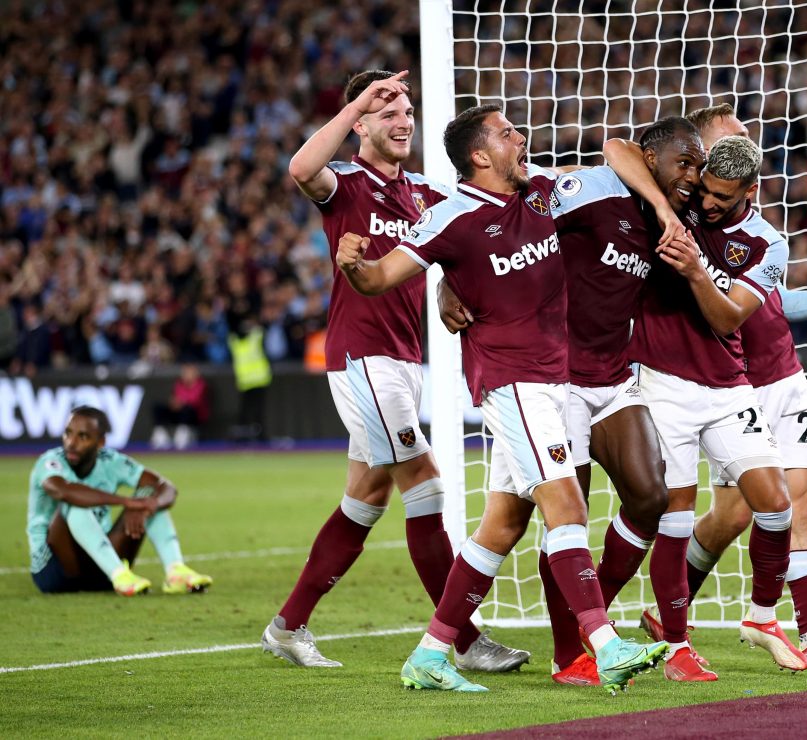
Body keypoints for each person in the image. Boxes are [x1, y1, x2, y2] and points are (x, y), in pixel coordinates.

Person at [335, 104, 668, 693]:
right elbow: (380, 278)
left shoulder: (541, 192)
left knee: (502, 525)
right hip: (512, 384)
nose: (521, 137)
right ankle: (605, 644)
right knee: (566, 506)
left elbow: (616, 155)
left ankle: (431, 654)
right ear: (480, 155)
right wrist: (353, 264)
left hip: (553, 380)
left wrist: (663, 209)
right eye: (507, 132)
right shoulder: (451, 218)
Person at [261, 70, 526, 672]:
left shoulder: (426, 194)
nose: (403, 120)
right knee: (426, 484)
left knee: (367, 496)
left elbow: (451, 252)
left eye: (406, 110)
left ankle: (288, 625)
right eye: (387, 112)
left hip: (407, 361)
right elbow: (301, 170)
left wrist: (442, 293)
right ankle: (463, 640)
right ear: (359, 124)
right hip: (362, 357)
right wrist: (356, 98)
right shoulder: (345, 184)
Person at [437, 117, 716, 684]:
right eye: (682, 163)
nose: (691, 176)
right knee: (565, 516)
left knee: (649, 495)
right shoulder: (592, 193)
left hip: (614, 375)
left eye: (697, 166)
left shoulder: (682, 221)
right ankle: (574, 654)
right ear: (649, 158)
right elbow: (494, 227)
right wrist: (449, 281)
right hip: (554, 378)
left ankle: (594, 619)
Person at [634, 105, 807, 669]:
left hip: (779, 376)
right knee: (730, 515)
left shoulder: (764, 239)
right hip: (723, 379)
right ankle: (670, 613)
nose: (738, 144)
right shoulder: (684, 210)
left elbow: (770, 304)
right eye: (726, 139)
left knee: (796, 501)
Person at [605, 134, 807, 671]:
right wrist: (659, 207)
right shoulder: (681, 200)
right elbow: (616, 148)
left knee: (775, 505)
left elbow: (727, 318)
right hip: (662, 382)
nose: (709, 203)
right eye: (707, 191)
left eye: (723, 196)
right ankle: (675, 645)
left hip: (728, 385)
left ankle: (762, 616)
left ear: (751, 190)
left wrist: (695, 269)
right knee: (675, 517)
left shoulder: (766, 243)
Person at [27, 406, 212, 595]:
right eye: (68, 433)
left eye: (83, 436)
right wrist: (126, 502)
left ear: (100, 443)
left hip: (100, 567)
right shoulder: (50, 462)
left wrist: (148, 506)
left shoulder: (110, 461)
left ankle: (175, 572)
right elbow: (63, 490)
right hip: (55, 570)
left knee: (148, 495)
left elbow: (167, 488)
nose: (71, 443)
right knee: (73, 501)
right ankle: (118, 574)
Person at [151, 362, 210, 450]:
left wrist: (181, 402)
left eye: (189, 372)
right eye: (185, 372)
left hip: (195, 415)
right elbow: (175, 397)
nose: (186, 375)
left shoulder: (201, 384)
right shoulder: (179, 384)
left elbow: (195, 400)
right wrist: (174, 403)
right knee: (158, 407)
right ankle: (161, 434)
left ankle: (183, 436)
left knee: (188, 409)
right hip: (179, 412)